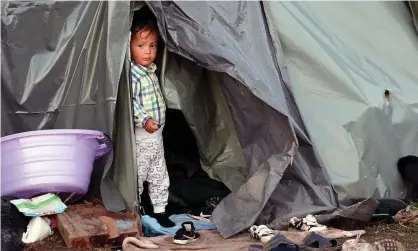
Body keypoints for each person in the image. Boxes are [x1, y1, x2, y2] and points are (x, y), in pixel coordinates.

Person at [130, 19, 175, 227]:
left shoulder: (151, 71)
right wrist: (145, 119)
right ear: (128, 46)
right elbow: (132, 104)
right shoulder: (133, 75)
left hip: (156, 139)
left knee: (159, 175)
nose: (147, 51)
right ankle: (135, 211)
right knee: (138, 176)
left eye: (152, 45)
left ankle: (160, 210)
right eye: (140, 46)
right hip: (142, 140)